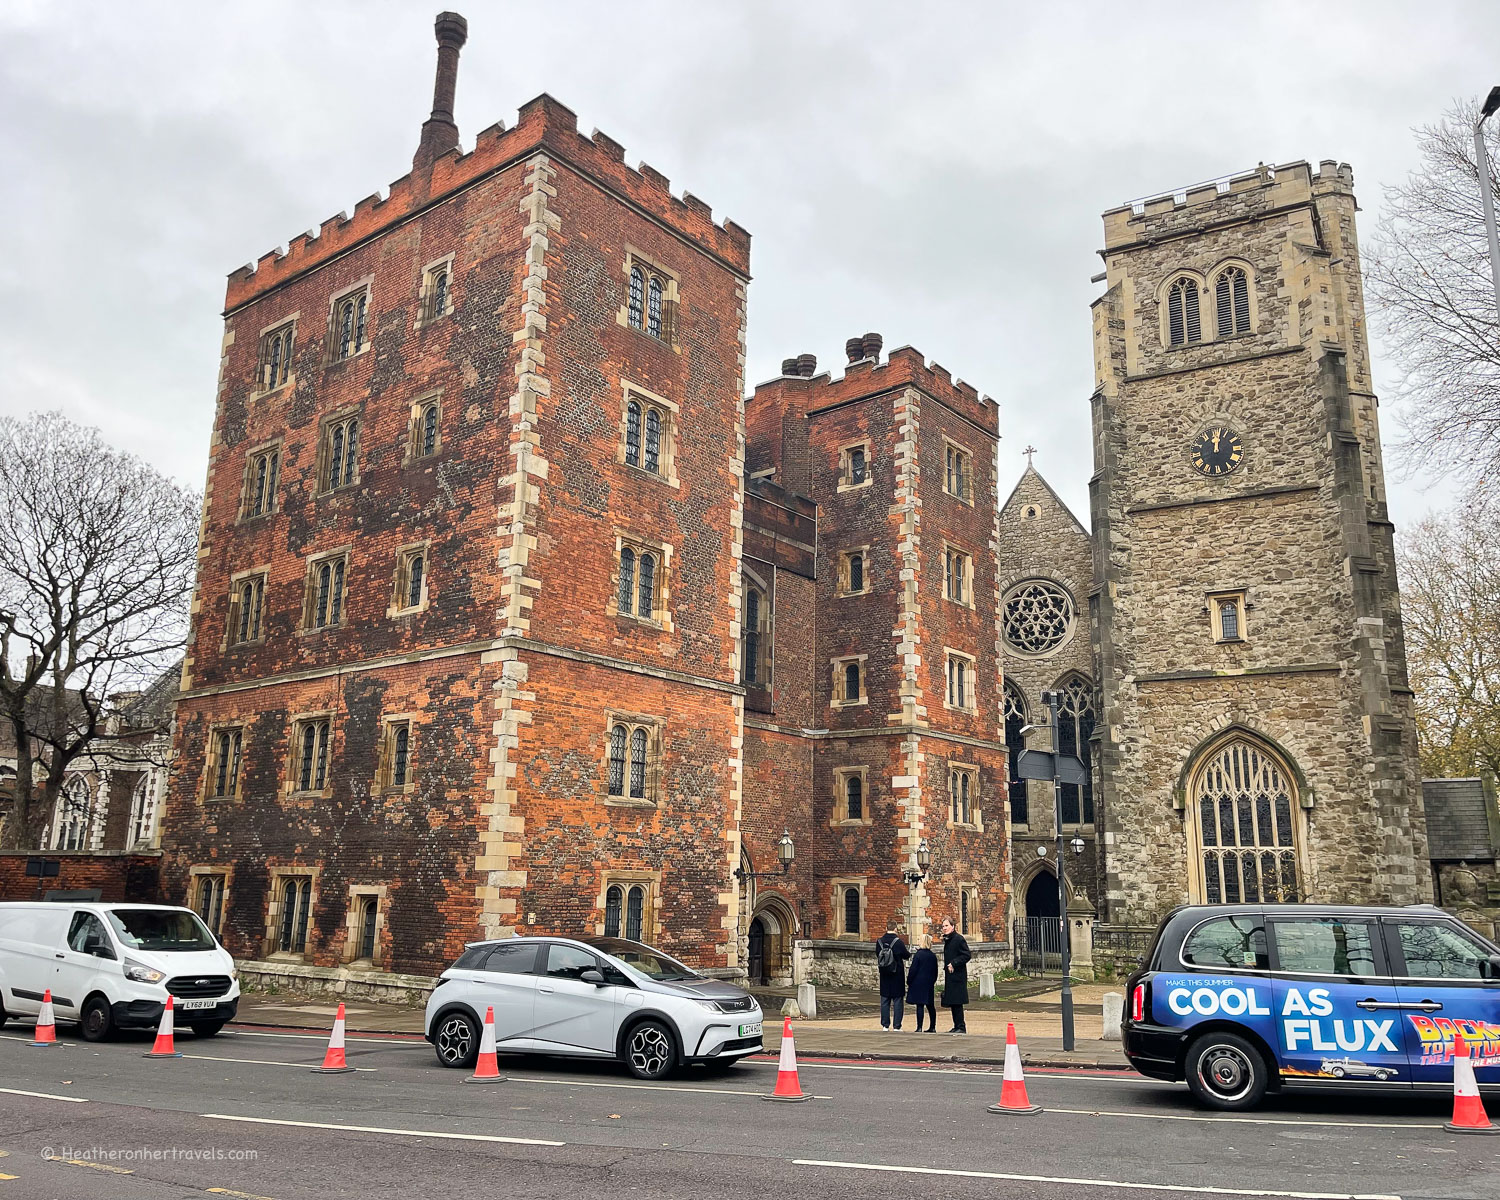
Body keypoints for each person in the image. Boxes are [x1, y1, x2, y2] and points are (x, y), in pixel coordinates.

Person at [874, 920, 911, 1031]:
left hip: (884, 974)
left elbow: (878, 955)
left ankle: (885, 1025)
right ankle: (896, 1026)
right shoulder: (898, 942)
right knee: (897, 1000)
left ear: (886, 928)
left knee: (885, 1000)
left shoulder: (879, 942)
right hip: (897, 974)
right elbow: (906, 955)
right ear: (895, 929)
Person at [940, 915, 971, 1034]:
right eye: (943, 926)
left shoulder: (958, 939)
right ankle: (956, 1025)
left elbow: (966, 955)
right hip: (950, 975)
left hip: (958, 975)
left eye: (947, 926)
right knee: (952, 1001)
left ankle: (961, 1026)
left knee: (957, 1001)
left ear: (953, 927)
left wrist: (954, 963)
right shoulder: (948, 940)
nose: (944, 928)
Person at [906, 932, 939, 1032]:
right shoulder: (933, 956)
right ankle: (932, 1027)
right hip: (928, 983)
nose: (918, 942)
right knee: (930, 1006)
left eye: (919, 940)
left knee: (920, 1005)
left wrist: (909, 980)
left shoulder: (918, 955)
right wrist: (932, 981)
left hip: (918, 983)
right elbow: (935, 971)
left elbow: (913, 970)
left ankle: (919, 1027)